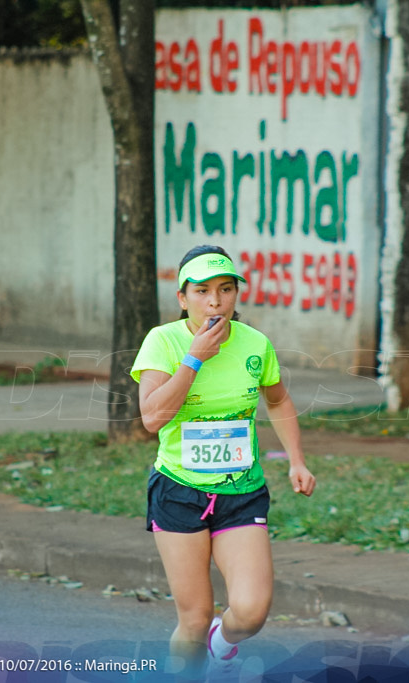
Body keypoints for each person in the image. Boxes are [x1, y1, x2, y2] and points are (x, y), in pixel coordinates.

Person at [130, 245, 316, 678]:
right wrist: (194, 358)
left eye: (226, 290)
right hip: (179, 491)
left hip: (241, 492)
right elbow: (153, 419)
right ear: (182, 298)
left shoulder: (254, 343)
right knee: (193, 620)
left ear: (236, 294)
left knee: (250, 612)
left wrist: (296, 461)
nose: (215, 302)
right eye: (202, 291)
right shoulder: (164, 340)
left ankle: (223, 642)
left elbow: (278, 399)